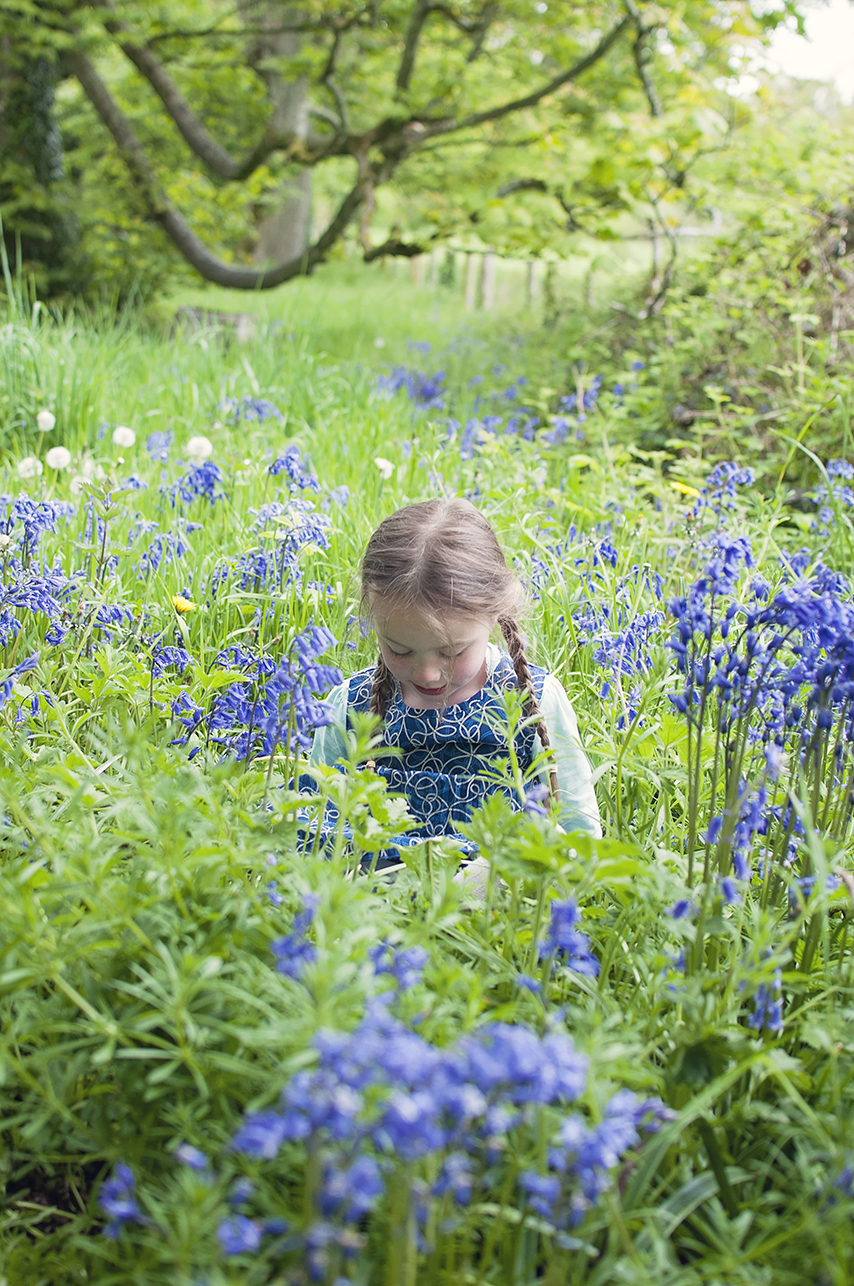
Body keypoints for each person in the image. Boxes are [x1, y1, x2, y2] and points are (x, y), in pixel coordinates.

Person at [308, 498, 601, 862]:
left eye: (452, 652)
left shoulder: (534, 702)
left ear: (496, 615)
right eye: (399, 649)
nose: (428, 674)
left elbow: (582, 835)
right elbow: (313, 821)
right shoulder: (350, 706)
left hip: (499, 907)